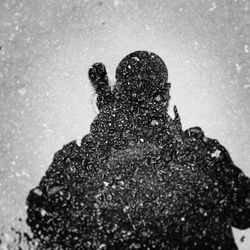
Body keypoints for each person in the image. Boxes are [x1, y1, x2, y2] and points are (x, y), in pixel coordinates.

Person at [26, 51, 250, 249]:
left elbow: (41, 220)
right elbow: (244, 212)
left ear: (118, 92)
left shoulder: (78, 158)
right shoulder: (200, 151)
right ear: (164, 94)